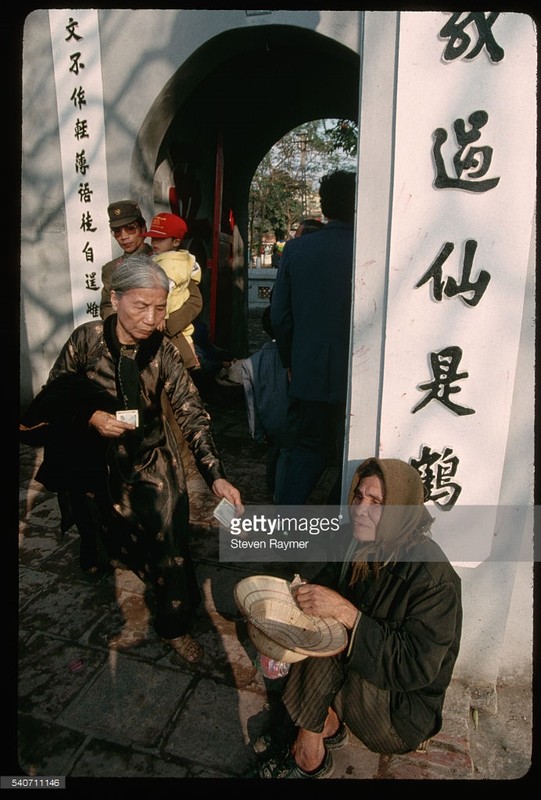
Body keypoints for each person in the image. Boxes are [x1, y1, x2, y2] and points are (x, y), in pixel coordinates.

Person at [20, 254, 243, 665]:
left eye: (160, 308)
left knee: (172, 540)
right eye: (140, 306)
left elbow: (192, 412)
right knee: (111, 528)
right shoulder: (86, 340)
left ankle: (174, 624)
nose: (151, 319)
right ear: (115, 298)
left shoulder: (164, 351)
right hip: (99, 461)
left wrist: (215, 476)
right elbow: (54, 393)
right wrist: (90, 416)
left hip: (152, 456)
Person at [258, 457, 462, 779]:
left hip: (399, 713)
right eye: (358, 496)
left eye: (376, 502)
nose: (360, 509)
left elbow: (414, 667)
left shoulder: (433, 579)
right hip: (368, 685)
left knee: (332, 642)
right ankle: (324, 724)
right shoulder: (360, 540)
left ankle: (307, 755)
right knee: (316, 626)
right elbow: (324, 580)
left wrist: (345, 612)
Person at [270, 170, 356, 505]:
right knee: (356, 447)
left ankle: (285, 517)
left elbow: (280, 316)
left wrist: (290, 360)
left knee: (308, 446)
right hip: (361, 370)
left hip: (311, 367)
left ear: (324, 205)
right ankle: (342, 520)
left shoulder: (297, 249)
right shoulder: (372, 245)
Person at [144, 211, 203, 372]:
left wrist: (163, 313)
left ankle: (193, 368)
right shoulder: (183, 258)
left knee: (180, 349)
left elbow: (165, 290)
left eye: (160, 239)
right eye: (153, 238)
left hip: (171, 312)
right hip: (178, 312)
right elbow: (195, 272)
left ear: (176, 241)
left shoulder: (168, 264)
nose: (155, 242)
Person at [240, 306, 289, 494]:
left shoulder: (251, 362)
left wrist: (256, 432)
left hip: (270, 424)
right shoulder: (294, 358)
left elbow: (250, 404)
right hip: (293, 424)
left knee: (275, 458)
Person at [99, 200, 152, 319]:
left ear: (143, 229)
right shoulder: (110, 269)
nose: (123, 237)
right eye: (117, 231)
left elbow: (192, 302)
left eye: (130, 228)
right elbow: (107, 306)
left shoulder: (163, 260)